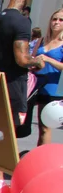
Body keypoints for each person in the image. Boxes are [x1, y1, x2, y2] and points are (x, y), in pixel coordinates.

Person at [0, 0, 44, 138]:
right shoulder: (22, 22)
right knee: (12, 127)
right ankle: (6, 161)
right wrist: (38, 61)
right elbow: (22, 59)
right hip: (14, 81)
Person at [32, 8, 63, 145]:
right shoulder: (42, 40)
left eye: (61, 20)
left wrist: (48, 59)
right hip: (37, 85)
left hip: (54, 88)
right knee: (40, 127)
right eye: (54, 19)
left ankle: (43, 159)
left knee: (46, 127)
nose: (56, 22)